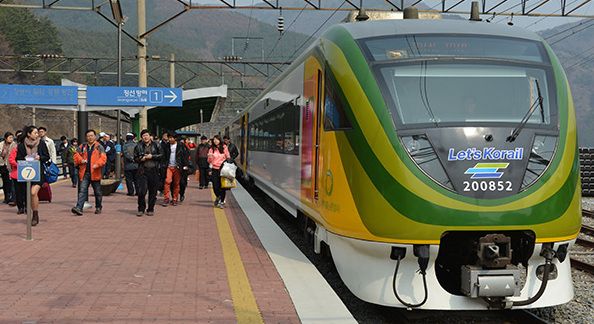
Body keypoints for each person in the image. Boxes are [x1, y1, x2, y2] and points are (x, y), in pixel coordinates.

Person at [15, 126, 51, 226]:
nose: (37, 134)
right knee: (29, 194)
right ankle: (33, 211)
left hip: (38, 172)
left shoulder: (41, 143)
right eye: (35, 133)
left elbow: (47, 156)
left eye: (37, 133)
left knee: (33, 192)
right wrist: (25, 159)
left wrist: (40, 157)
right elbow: (18, 158)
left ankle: (35, 215)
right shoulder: (22, 145)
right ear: (29, 134)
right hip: (26, 172)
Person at [71, 130, 106, 216]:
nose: (90, 137)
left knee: (97, 191)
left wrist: (97, 165)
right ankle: (79, 208)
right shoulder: (82, 146)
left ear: (95, 136)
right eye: (88, 136)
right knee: (82, 191)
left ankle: (98, 206)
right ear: (86, 137)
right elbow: (76, 155)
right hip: (84, 172)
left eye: (91, 135)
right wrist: (81, 160)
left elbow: (103, 158)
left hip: (95, 172)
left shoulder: (99, 147)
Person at [134, 129, 162, 217]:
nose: (145, 137)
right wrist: (140, 159)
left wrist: (152, 156)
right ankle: (141, 208)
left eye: (147, 135)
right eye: (143, 136)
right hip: (143, 171)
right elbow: (135, 158)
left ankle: (150, 209)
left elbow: (162, 155)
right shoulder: (138, 146)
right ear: (141, 137)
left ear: (150, 136)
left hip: (154, 170)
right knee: (142, 191)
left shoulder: (157, 145)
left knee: (153, 191)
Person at [162, 133, 189, 206]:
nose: (170, 139)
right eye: (169, 138)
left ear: (175, 138)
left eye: (171, 138)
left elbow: (186, 155)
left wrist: (185, 165)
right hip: (169, 166)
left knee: (176, 183)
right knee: (167, 181)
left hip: (177, 167)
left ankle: (175, 198)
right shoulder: (166, 146)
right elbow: (163, 156)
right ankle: (166, 198)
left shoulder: (181, 146)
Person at [207, 135, 230, 208]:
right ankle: (218, 197)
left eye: (217, 139)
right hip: (214, 169)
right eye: (214, 140)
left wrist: (227, 163)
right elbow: (209, 161)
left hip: (223, 169)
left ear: (220, 140)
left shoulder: (224, 147)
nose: (215, 141)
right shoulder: (211, 149)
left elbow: (228, 157)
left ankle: (222, 202)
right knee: (215, 186)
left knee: (222, 186)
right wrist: (210, 157)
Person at [0, 132, 14, 204]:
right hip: (2, 165)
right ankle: (6, 197)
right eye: (9, 137)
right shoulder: (1, 144)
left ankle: (11, 197)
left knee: (10, 182)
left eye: (12, 137)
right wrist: (2, 153)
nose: (11, 139)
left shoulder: (14, 145)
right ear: (5, 138)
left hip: (11, 165)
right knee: (5, 182)